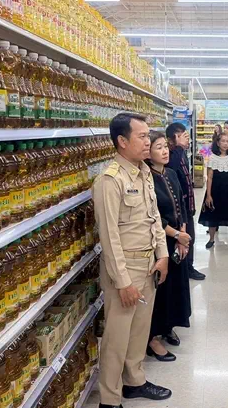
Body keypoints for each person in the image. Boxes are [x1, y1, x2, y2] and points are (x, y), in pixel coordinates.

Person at [93, 113, 172, 408]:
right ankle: (109, 398)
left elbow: (154, 218)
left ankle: (135, 382)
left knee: (139, 331)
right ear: (122, 141)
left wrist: (163, 255)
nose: (148, 141)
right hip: (124, 269)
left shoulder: (144, 172)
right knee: (117, 337)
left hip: (148, 264)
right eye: (142, 136)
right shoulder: (109, 180)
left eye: (148, 135)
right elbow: (109, 237)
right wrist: (123, 281)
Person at [146, 131, 192, 361]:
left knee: (176, 286)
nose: (165, 151)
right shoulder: (146, 178)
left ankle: (168, 326)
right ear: (148, 152)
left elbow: (180, 204)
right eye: (159, 147)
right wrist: (176, 234)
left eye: (166, 146)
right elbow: (153, 216)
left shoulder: (171, 173)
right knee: (160, 289)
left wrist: (183, 233)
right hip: (159, 240)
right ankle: (152, 337)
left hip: (177, 238)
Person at [166, 122, 206, 282]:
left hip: (186, 206)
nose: (187, 139)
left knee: (190, 237)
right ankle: (185, 268)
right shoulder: (172, 155)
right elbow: (172, 168)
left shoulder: (182, 153)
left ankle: (189, 267)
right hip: (177, 209)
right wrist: (179, 146)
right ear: (172, 139)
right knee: (182, 239)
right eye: (183, 136)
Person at [199, 132, 228, 250]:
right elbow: (210, 177)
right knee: (213, 215)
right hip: (215, 191)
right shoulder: (212, 157)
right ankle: (211, 239)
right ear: (218, 143)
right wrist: (208, 195)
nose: (225, 144)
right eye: (223, 141)